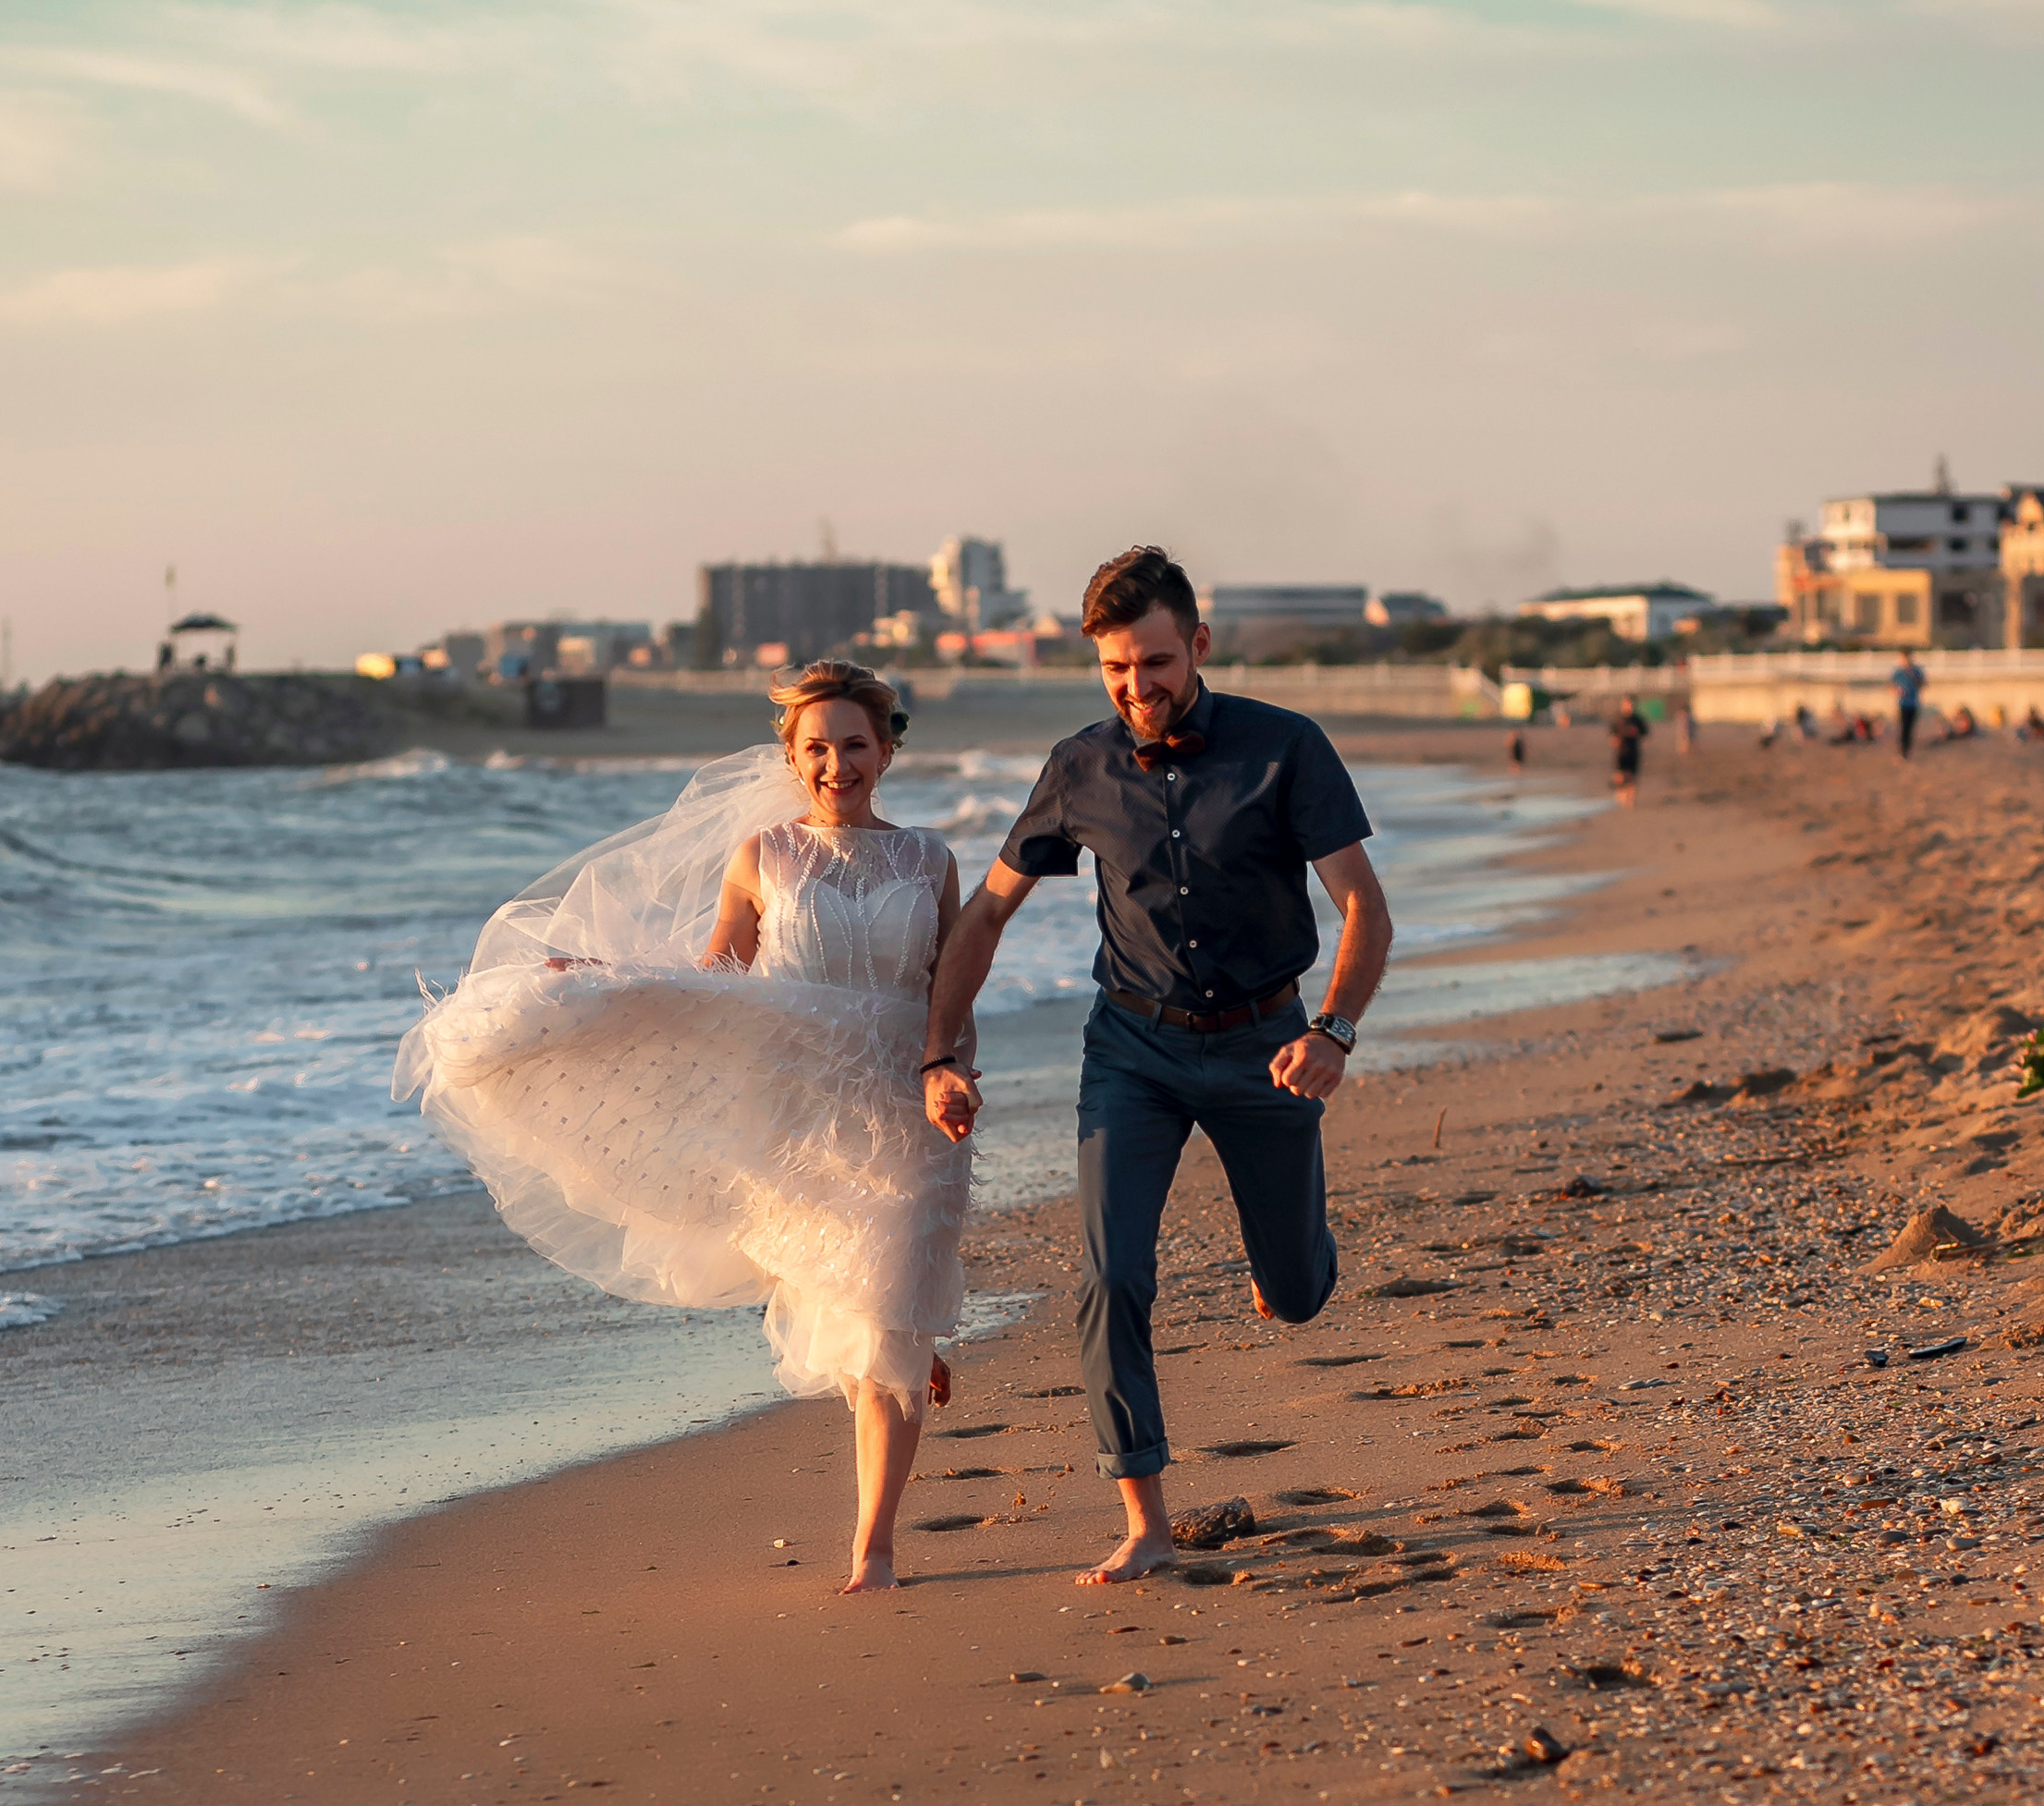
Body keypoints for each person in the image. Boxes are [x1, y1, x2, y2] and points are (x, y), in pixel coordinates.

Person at [393, 659, 973, 1594]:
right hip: (800, 1116)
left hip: (908, 1109)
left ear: (887, 750)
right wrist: (604, 983)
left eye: (854, 745)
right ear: (791, 755)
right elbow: (716, 980)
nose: (836, 765)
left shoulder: (931, 860)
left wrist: (955, 1074)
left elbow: (951, 988)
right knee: (864, 1312)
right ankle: (906, 1334)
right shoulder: (764, 857)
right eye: (815, 748)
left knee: (891, 1327)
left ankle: (874, 1549)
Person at [918, 543, 1390, 1586]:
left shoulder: (1285, 748)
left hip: (1270, 1048)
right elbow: (990, 911)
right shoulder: (1077, 766)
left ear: (1198, 646)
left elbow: (1363, 904)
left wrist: (1333, 1033)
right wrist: (939, 1053)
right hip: (1130, 1050)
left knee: (1300, 1292)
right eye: (1116, 670)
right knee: (1110, 1274)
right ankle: (1146, 1518)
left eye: (1155, 664)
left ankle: (1293, 1266)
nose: (1137, 688)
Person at [1610, 694, 1647, 805]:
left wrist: (1635, 734)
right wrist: (1616, 740)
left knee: (1632, 777)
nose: (1629, 706)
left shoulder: (1638, 720)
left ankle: (1631, 800)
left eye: (1631, 704)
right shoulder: (1618, 719)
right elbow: (1612, 735)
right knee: (1620, 775)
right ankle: (1620, 794)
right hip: (1621, 751)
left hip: (1634, 751)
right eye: (1627, 704)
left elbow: (1644, 735)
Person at [1890, 649, 1926, 760]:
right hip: (1903, 703)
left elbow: (1922, 684)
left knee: (1910, 728)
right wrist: (1897, 690)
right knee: (1903, 727)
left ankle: (1907, 750)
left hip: (1913, 703)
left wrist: (1912, 676)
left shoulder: (1916, 671)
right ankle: (1902, 751)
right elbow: (1890, 685)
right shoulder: (1898, 672)